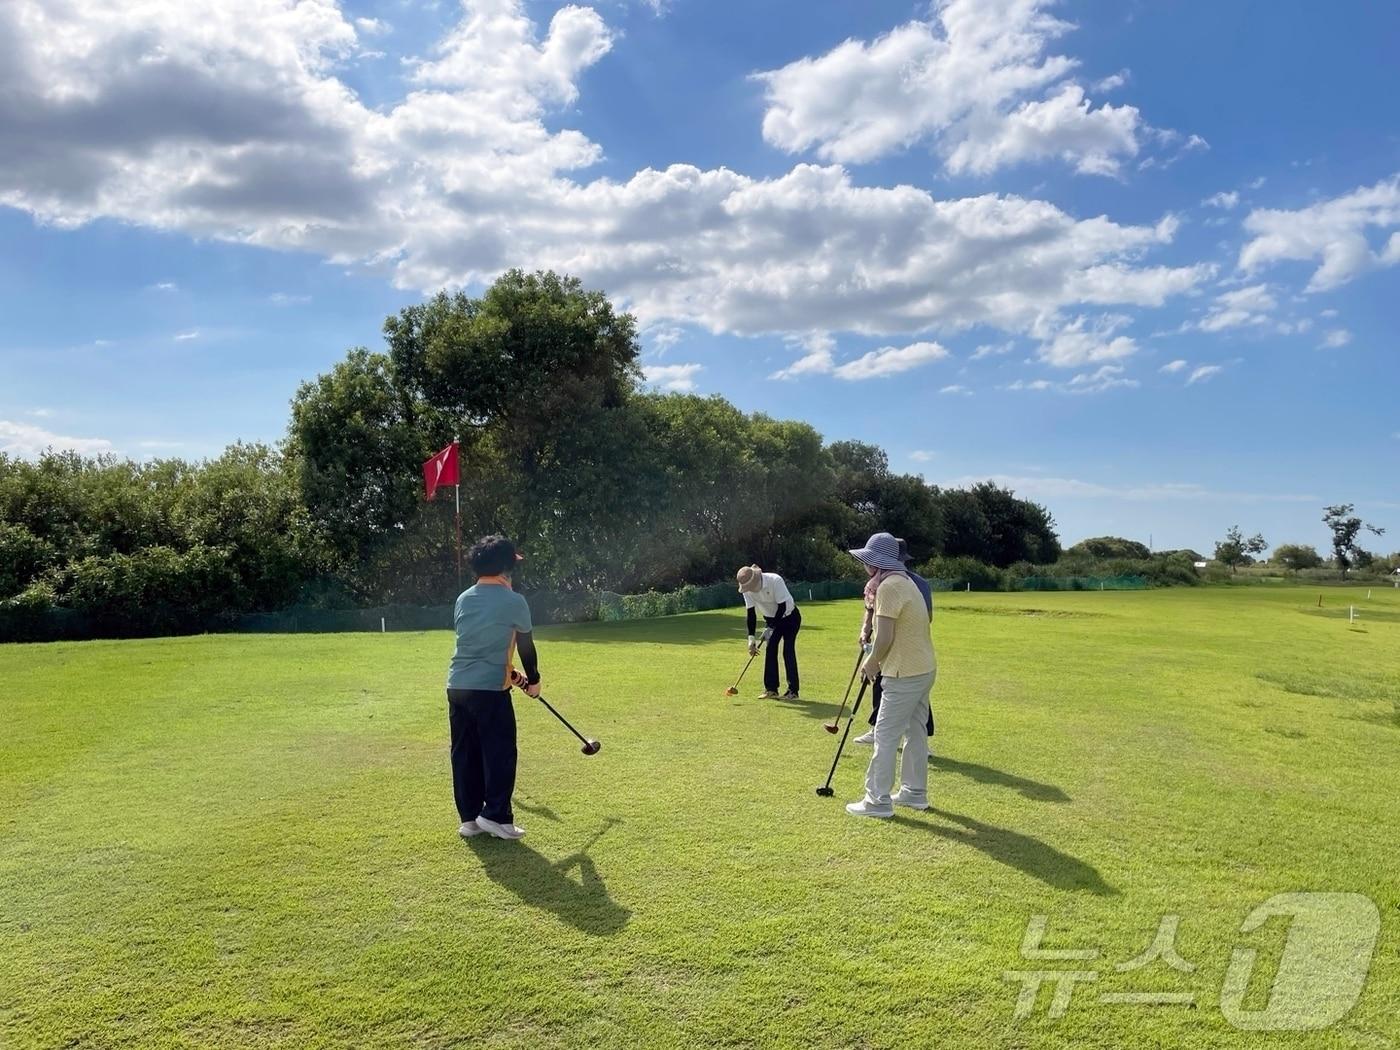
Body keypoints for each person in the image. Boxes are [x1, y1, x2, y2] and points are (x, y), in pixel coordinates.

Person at [446, 534, 540, 841]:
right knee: (499, 753)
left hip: (457, 686)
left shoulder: (463, 598)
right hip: (489, 690)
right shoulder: (514, 601)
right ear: (505, 567)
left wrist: (512, 675)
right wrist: (534, 681)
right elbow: (525, 646)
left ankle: (470, 818)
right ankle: (497, 816)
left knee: (465, 753)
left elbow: (481, 642)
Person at [845, 532, 936, 818]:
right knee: (915, 731)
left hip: (904, 672)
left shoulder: (889, 588)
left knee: (885, 735)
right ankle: (913, 792)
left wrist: (871, 663)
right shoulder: (906, 582)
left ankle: (877, 801)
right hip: (923, 668)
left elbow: (883, 638)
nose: (864, 566)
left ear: (876, 564)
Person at [855, 538, 935, 753]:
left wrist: (877, 653)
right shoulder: (876, 583)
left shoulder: (911, 583)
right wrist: (866, 630)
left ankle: (920, 739)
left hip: (907, 653)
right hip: (888, 648)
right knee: (879, 687)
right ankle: (876, 728)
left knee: (912, 700)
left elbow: (924, 617)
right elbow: (871, 609)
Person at [736, 564, 801, 699]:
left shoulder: (774, 580)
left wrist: (770, 628)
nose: (749, 590)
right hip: (771, 619)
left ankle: (793, 691)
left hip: (790, 617)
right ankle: (771, 689)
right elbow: (751, 613)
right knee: (770, 649)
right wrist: (751, 639)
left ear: (756, 580)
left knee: (787, 650)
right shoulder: (747, 590)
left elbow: (782, 607)